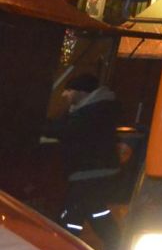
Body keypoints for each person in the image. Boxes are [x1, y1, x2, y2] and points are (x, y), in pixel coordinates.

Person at [42, 70, 122, 240]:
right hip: (94, 169)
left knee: (73, 210)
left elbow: (67, 130)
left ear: (81, 92)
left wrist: (35, 125)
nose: (64, 94)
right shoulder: (87, 108)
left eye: (69, 90)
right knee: (94, 208)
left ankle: (66, 244)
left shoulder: (94, 111)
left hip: (90, 169)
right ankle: (114, 242)